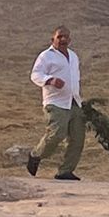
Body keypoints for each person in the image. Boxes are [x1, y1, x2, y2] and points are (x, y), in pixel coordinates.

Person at [25, 25, 84, 181]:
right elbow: (35, 74)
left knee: (77, 138)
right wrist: (50, 80)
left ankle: (65, 171)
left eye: (65, 37)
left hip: (74, 101)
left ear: (70, 39)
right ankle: (36, 154)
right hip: (56, 102)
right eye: (59, 37)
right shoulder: (46, 56)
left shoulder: (73, 56)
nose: (63, 39)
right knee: (56, 134)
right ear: (53, 39)